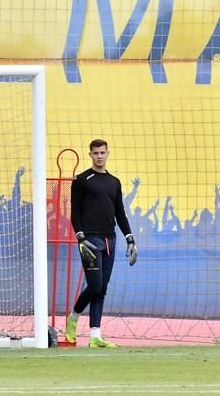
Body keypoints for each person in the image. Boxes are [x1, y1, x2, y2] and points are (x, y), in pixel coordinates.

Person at [65, 139, 138, 348]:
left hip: (110, 239)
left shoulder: (114, 182)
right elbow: (74, 212)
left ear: (108, 154)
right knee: (95, 285)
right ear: (90, 155)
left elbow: (120, 213)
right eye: (95, 153)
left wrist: (129, 237)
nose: (99, 156)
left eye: (102, 152)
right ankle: (73, 317)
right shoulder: (81, 180)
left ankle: (95, 336)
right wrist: (80, 237)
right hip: (90, 240)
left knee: (102, 288)